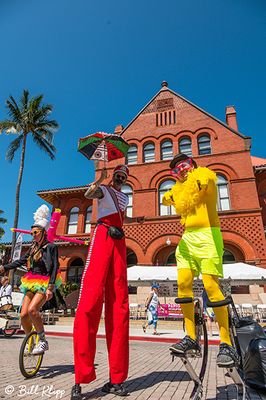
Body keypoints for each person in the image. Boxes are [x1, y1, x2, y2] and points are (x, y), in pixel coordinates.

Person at [71, 164, 145, 400]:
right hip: (103, 236)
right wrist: (101, 179)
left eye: (124, 176)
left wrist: (136, 220)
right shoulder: (103, 188)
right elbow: (89, 194)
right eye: (118, 175)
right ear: (113, 176)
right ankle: (80, 378)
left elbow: (122, 216)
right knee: (90, 302)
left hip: (119, 241)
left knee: (119, 306)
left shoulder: (123, 196)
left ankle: (117, 378)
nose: (121, 178)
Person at [163, 153, 239, 367]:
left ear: (193, 165)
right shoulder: (180, 189)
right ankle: (191, 338)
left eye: (184, 165)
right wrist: (173, 192)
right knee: (183, 284)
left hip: (208, 234)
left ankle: (226, 344)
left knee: (210, 286)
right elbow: (168, 197)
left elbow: (204, 179)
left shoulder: (204, 176)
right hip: (188, 238)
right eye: (176, 169)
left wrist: (194, 178)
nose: (181, 170)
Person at [0, 205, 61, 354]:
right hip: (31, 281)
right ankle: (30, 339)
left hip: (45, 282)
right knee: (23, 315)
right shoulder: (33, 248)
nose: (33, 234)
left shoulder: (51, 247)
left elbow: (54, 268)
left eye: (36, 232)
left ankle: (42, 341)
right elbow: (21, 261)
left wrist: (50, 288)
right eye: (32, 232)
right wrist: (5, 267)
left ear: (43, 232)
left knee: (33, 310)